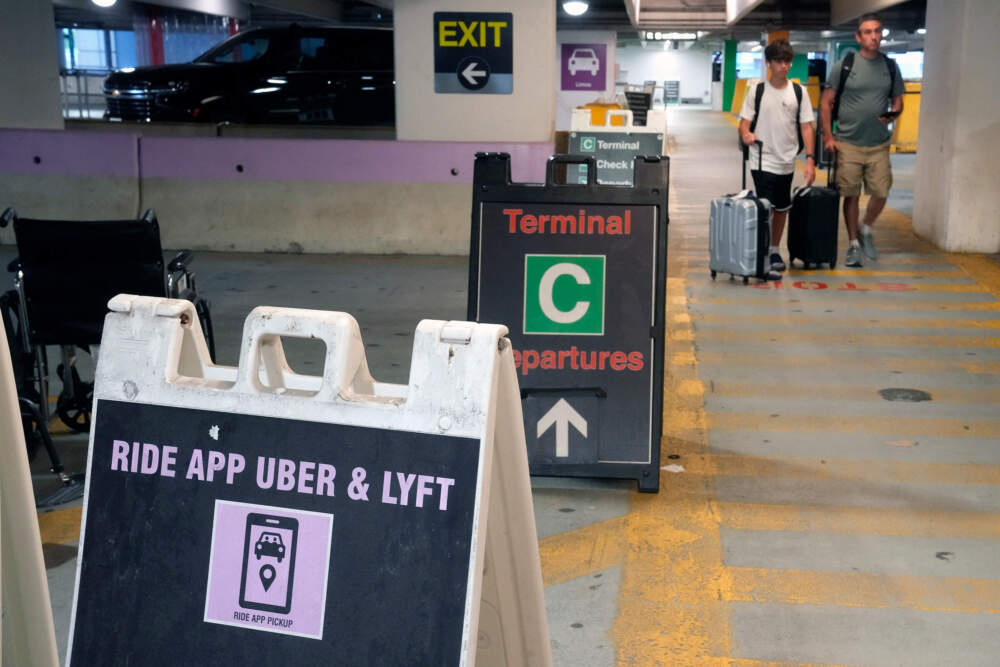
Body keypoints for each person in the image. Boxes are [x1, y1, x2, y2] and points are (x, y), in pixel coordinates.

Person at [820, 13, 905, 267]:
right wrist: (829, 136)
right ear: (858, 37)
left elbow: (898, 100)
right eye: (867, 32)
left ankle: (866, 227)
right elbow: (826, 103)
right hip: (848, 141)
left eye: (877, 31)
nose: (874, 36)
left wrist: (894, 113)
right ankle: (854, 245)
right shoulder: (845, 65)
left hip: (878, 142)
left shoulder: (890, 66)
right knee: (851, 194)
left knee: (881, 191)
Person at [739, 39, 816, 274]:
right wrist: (747, 135)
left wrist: (810, 160)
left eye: (787, 61)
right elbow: (744, 124)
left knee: (782, 208)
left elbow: (806, 127)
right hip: (761, 158)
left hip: (786, 160)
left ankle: (774, 249)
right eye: (779, 61)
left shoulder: (799, 93)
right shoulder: (757, 91)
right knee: (765, 206)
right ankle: (762, 251)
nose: (784, 66)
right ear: (769, 63)